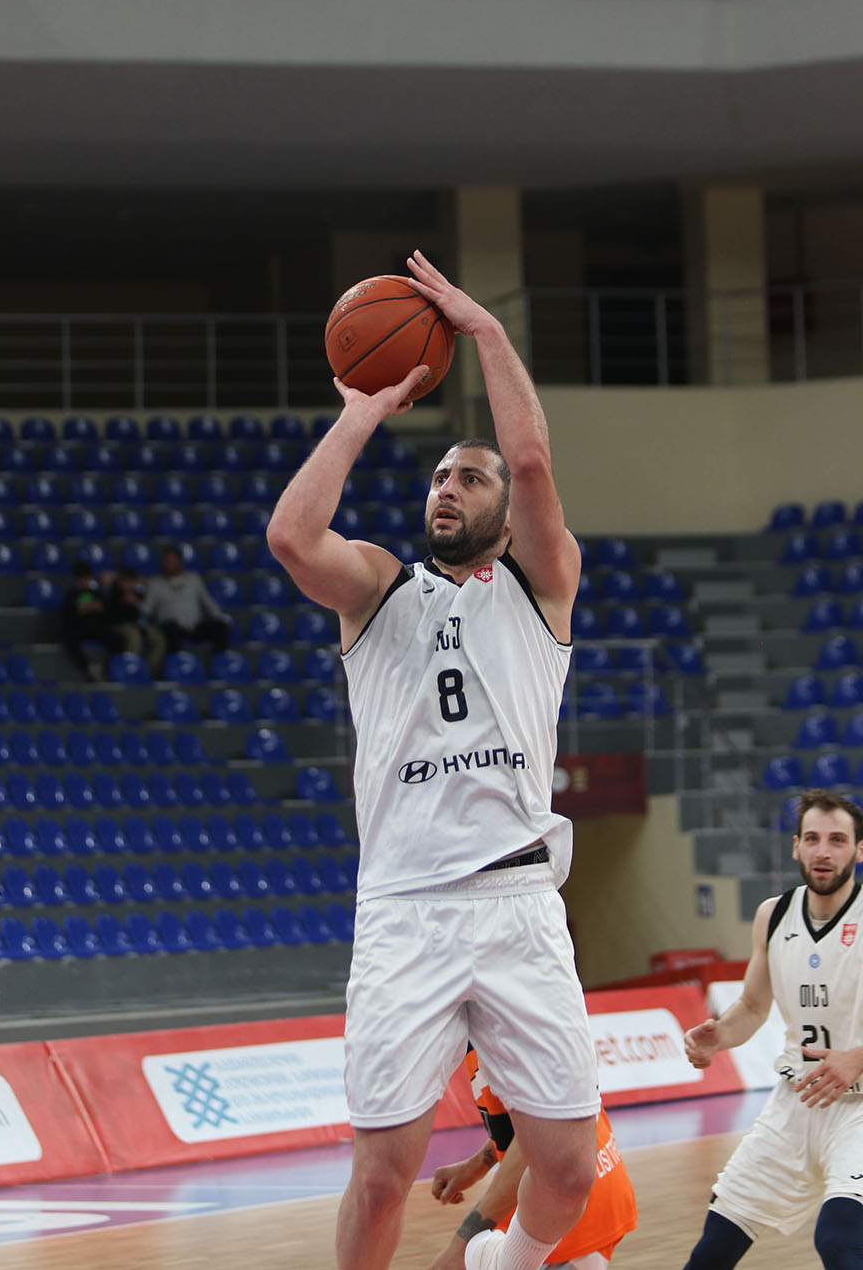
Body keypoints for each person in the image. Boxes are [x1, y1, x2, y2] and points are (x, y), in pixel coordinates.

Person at [267, 250, 600, 1270]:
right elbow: (291, 537)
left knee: (569, 1166)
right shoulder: (379, 589)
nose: (449, 487)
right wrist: (363, 412)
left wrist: (486, 331)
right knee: (381, 1175)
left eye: (470, 476)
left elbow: (532, 463)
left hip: (516, 900)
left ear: (501, 508)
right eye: (441, 476)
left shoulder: (541, 586)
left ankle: (505, 1261)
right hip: (406, 907)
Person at [680, 787, 863, 1270]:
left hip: (860, 1108)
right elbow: (752, 1006)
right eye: (813, 838)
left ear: (859, 850)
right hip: (796, 1101)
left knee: (840, 1240)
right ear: (796, 846)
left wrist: (857, 1057)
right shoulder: (773, 914)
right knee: (714, 1247)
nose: (824, 851)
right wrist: (719, 1035)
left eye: (838, 840)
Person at [429, 1046, 636, 1270]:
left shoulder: (506, 1031)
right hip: (583, 1187)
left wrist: (461, 1247)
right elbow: (532, 1125)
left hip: (569, 1203)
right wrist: (477, 1165)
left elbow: (542, 1134)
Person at [141, 545, 230, 667]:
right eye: (166, 561)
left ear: (180, 562)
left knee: (219, 628)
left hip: (194, 627)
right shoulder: (155, 583)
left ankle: (220, 666)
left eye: (172, 561)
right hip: (172, 629)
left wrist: (221, 618)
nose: (169, 564)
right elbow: (146, 609)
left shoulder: (194, 579)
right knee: (170, 630)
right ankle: (176, 667)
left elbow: (208, 602)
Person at [106, 564, 166, 678]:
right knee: (134, 636)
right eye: (125, 581)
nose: (128, 584)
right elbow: (113, 616)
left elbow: (146, 614)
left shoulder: (138, 594)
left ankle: (146, 671)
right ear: (120, 581)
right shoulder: (114, 593)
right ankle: (130, 671)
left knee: (158, 638)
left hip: (138, 625)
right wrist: (124, 602)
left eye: (130, 581)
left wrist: (137, 604)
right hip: (119, 625)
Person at [61, 559, 114, 681]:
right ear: (76, 579)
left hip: (96, 627)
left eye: (86, 578)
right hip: (79, 629)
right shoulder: (72, 594)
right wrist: (80, 610)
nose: (84, 581)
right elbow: (67, 617)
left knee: (117, 639)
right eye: (81, 579)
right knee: (69, 639)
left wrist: (100, 608)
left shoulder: (97, 593)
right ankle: (88, 667)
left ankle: (107, 669)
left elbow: (107, 612)